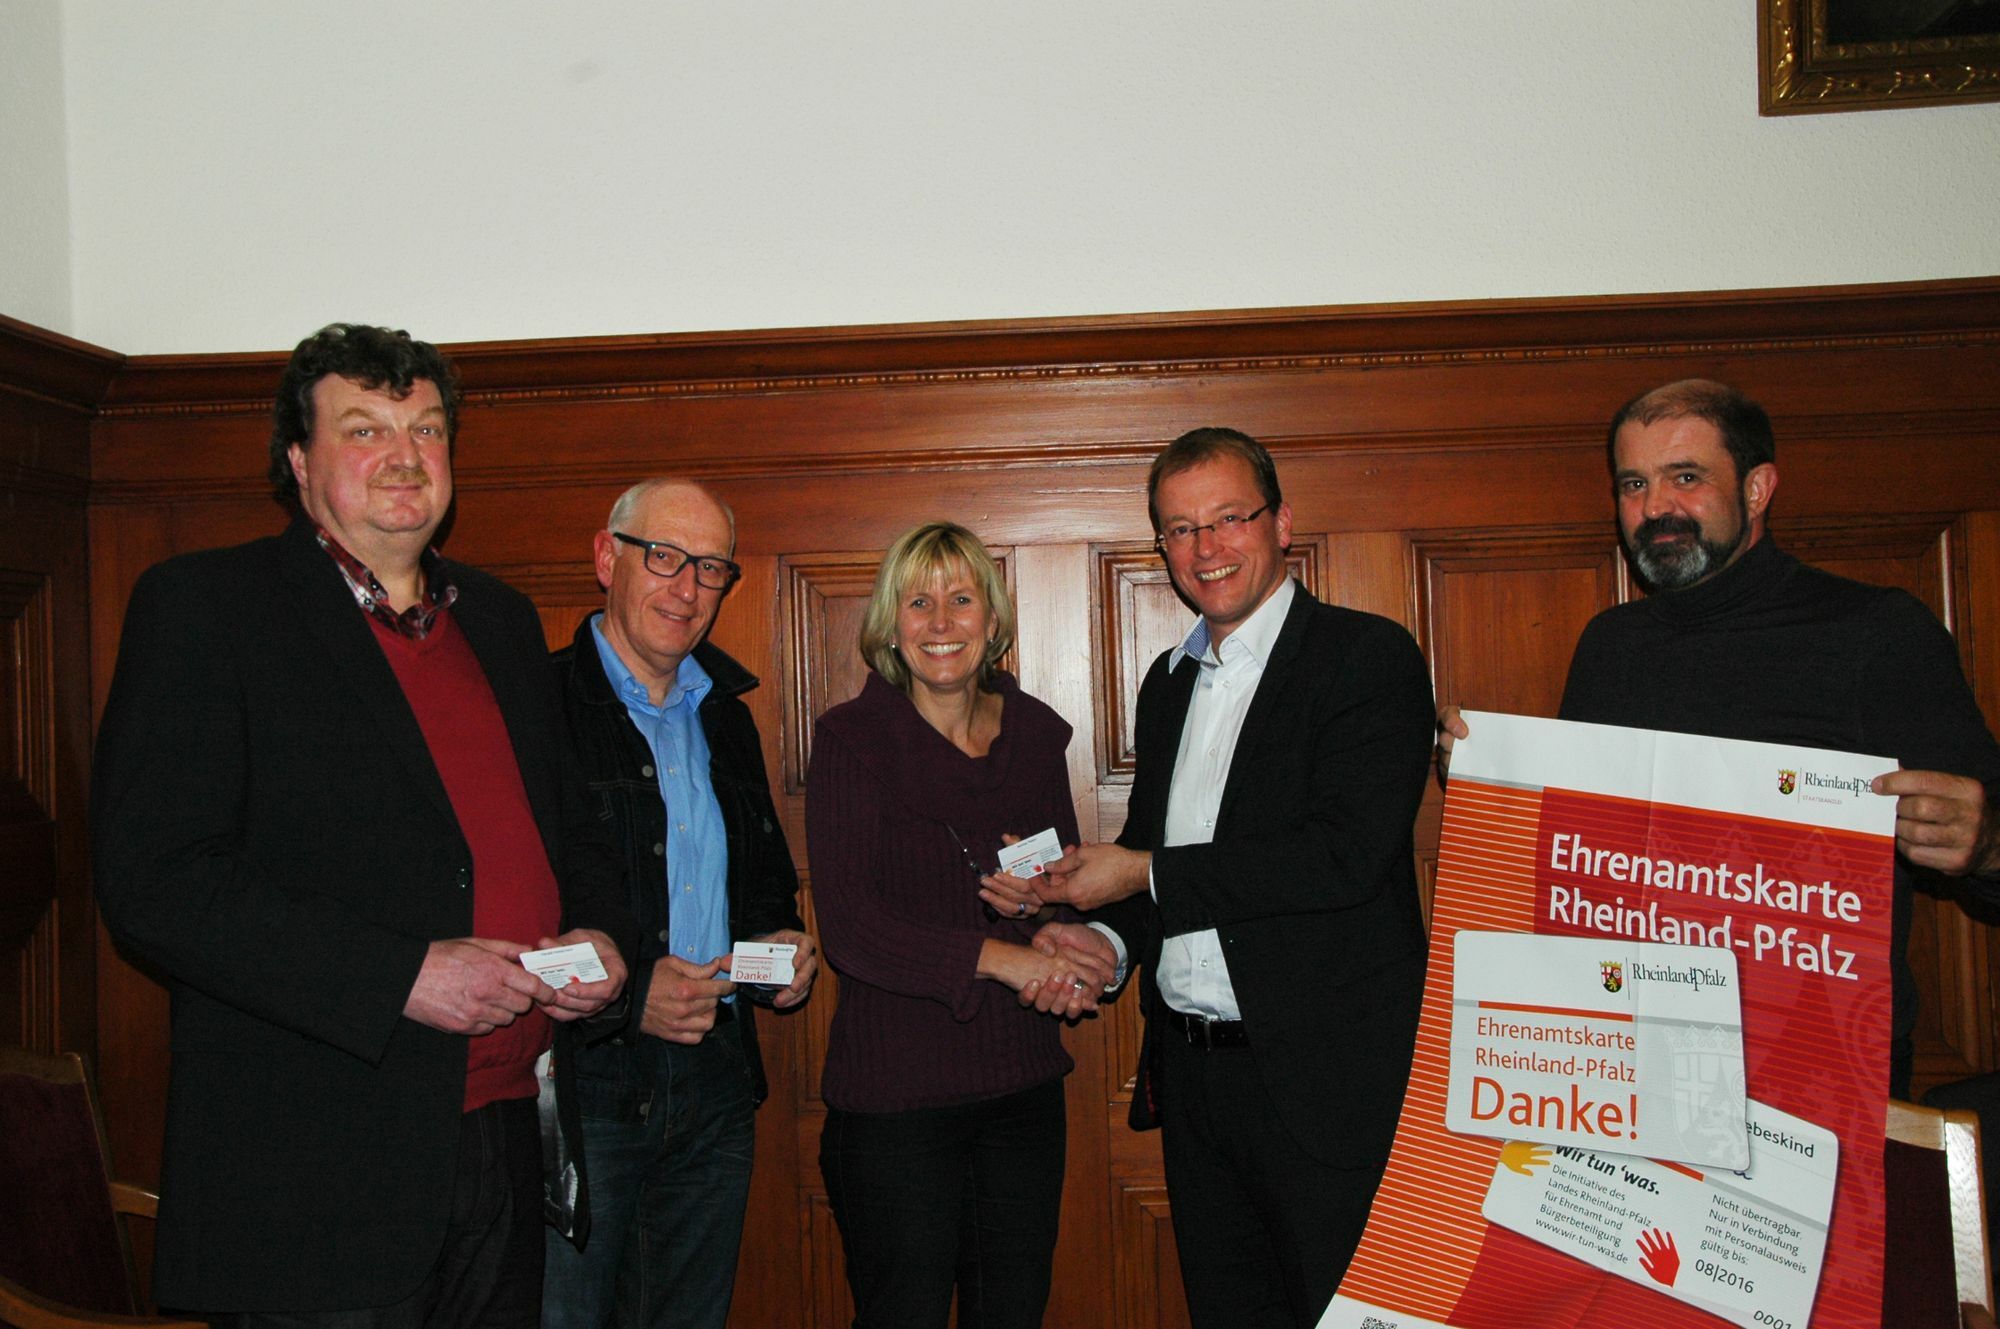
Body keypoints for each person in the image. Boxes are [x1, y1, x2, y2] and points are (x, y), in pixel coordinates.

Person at [90, 323, 634, 1326]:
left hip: (507, 1141)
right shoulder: (206, 608)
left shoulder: (503, 621)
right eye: (364, 429)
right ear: (300, 462)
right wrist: (401, 976)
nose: (403, 455)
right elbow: (156, 881)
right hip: (315, 1173)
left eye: (425, 429)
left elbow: (573, 834)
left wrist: (600, 935)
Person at [1440, 378, 2000, 1097]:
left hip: (1818, 1066)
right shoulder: (1610, 646)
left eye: (1686, 477)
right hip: (1631, 1051)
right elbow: (1586, 853)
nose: (1655, 508)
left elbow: (1982, 835)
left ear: (1757, 489)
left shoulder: (1877, 631)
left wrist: (1986, 843)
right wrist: (1496, 781)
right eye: (1634, 484)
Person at [1005, 428, 1436, 1328]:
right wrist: (1105, 936)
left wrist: (1142, 871)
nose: (1207, 547)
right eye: (1181, 528)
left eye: (1229, 517)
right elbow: (1155, 856)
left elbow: (1345, 854)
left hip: (1329, 1088)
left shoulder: (1366, 656)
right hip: (1198, 1085)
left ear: (1282, 522)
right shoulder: (1167, 683)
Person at [805, 521, 1119, 1329]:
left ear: (992, 617)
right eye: (918, 602)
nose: (941, 621)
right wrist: (1001, 959)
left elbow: (1058, 886)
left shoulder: (1035, 734)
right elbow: (851, 928)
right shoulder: (850, 740)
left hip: (1022, 1088)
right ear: (890, 623)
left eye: (960, 599)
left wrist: (1041, 908)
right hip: (896, 1101)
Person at [543, 478, 819, 1329]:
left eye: (710, 567)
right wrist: (630, 993)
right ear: (607, 558)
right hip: (589, 1085)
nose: (687, 587)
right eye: (663, 556)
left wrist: (784, 947)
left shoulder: (726, 717)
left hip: (715, 1086)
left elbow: (763, 884)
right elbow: (508, 909)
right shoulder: (537, 706)